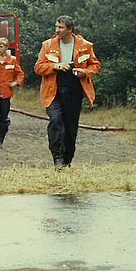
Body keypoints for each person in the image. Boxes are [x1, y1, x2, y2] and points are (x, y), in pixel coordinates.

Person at [34, 15, 100, 168]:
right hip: (53, 91)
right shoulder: (47, 45)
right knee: (56, 120)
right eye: (56, 26)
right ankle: (57, 156)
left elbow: (95, 66)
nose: (57, 30)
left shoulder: (85, 45)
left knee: (70, 128)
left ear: (70, 30)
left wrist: (84, 72)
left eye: (61, 27)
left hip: (74, 90)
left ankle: (67, 160)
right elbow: (38, 67)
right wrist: (55, 66)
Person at [0, 37, 25, 149]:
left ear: (7, 47)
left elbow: (20, 73)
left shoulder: (12, 60)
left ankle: (0, 141)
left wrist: (16, 83)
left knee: (3, 118)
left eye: (1, 46)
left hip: (6, 93)